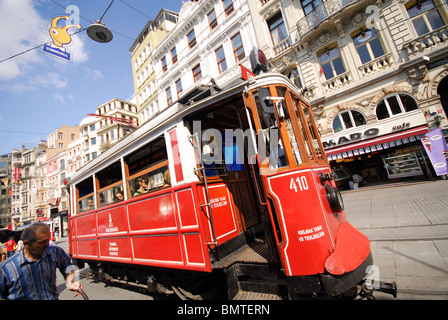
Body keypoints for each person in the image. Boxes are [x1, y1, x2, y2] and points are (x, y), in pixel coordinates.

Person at [0, 223, 82, 300]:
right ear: (26, 244)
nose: (47, 244)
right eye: (42, 242)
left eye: (47, 240)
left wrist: (71, 281)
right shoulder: (7, 267)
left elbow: (69, 266)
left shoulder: (55, 252)